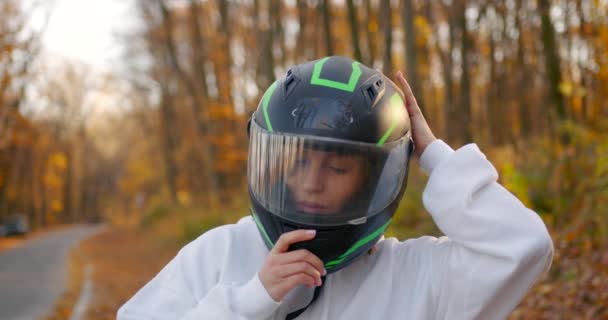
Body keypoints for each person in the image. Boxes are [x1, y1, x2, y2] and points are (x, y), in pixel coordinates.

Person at [117, 56, 553, 320]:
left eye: (339, 167)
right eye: (300, 161)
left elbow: (524, 245)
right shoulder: (222, 252)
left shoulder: (416, 276)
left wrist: (434, 154)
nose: (311, 181)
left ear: (371, 177)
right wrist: (252, 299)